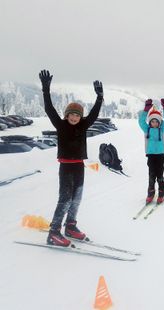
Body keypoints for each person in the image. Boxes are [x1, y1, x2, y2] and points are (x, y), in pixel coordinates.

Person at [39, 70, 103, 247]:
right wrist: (46, 90)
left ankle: (70, 226)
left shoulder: (83, 125)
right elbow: (49, 109)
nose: (74, 117)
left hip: (79, 166)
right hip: (66, 167)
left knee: (77, 198)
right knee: (65, 199)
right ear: (66, 115)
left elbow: (94, 115)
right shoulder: (60, 125)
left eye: (77, 115)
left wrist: (99, 98)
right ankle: (53, 232)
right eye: (71, 114)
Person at [138, 99, 164, 204]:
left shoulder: (162, 129)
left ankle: (162, 192)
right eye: (152, 121)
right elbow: (141, 121)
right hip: (151, 155)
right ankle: (151, 192)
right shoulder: (146, 129)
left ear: (159, 122)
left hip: (161, 155)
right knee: (152, 174)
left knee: (160, 174)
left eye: (157, 121)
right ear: (150, 122)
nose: (155, 123)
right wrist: (146, 109)